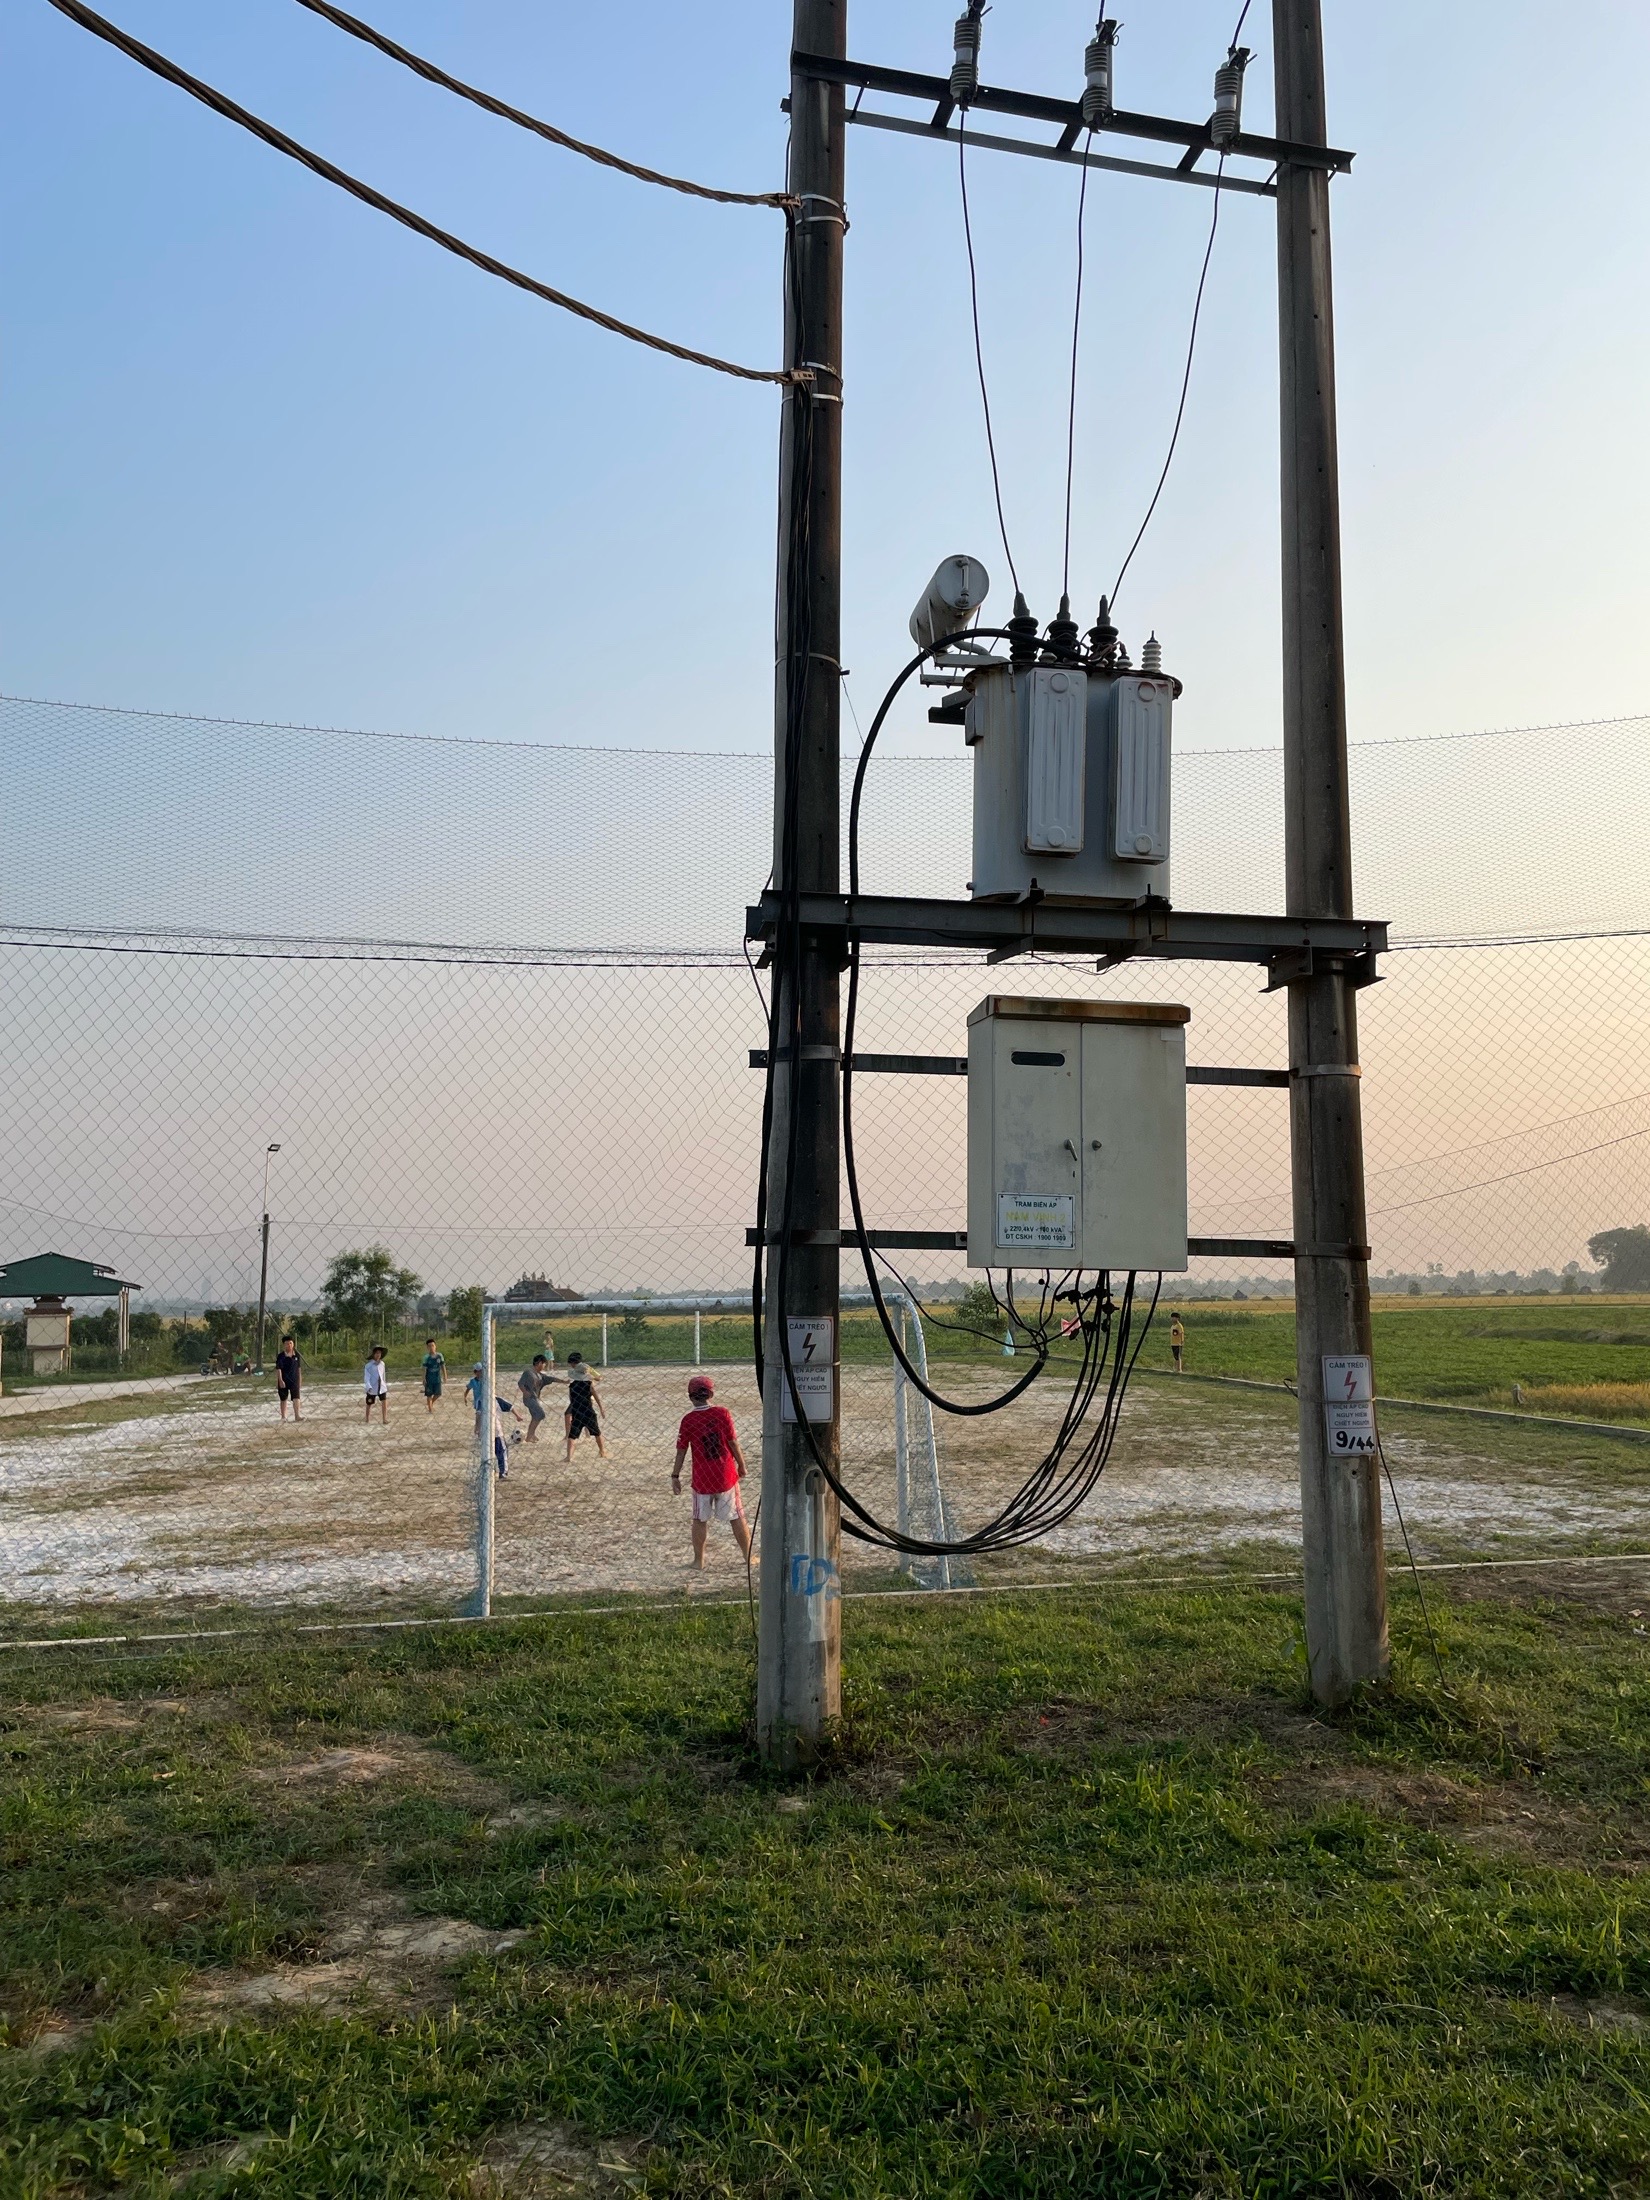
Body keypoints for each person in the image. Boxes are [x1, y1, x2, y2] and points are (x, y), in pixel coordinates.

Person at [672, 1375, 751, 1569]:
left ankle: (699, 1560)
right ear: (711, 1394)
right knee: (736, 1516)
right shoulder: (722, 1413)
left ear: (690, 1396)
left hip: (702, 1478)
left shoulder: (688, 1420)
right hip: (725, 1475)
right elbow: (732, 1442)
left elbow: (681, 1451)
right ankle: (748, 1556)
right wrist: (741, 1464)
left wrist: (675, 1475)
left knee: (699, 1519)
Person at [563, 1350, 605, 1459]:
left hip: (577, 1411)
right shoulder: (589, 1384)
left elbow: (571, 1399)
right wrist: (601, 1408)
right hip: (588, 1411)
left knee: (572, 1436)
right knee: (597, 1433)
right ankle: (602, 1451)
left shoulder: (572, 1386)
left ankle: (569, 1456)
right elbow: (596, 1396)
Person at [518, 1352, 556, 1442]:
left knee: (535, 1416)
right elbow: (520, 1383)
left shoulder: (539, 1374)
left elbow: (550, 1378)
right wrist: (525, 1392)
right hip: (529, 1399)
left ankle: (531, 1435)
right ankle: (529, 1436)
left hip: (534, 1399)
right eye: (544, 1364)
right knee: (540, 1414)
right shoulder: (528, 1372)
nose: (544, 1366)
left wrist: (563, 1381)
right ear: (540, 1363)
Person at [274, 1333, 302, 1422]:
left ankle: (297, 1416)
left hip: (294, 1379)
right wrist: (280, 1380)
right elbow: (278, 1369)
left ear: (293, 1344)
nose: (289, 1345)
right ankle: (283, 1417)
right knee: (283, 1398)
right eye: (287, 1343)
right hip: (284, 1380)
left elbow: (299, 1368)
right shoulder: (281, 1356)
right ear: (284, 1345)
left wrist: (300, 1380)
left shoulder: (297, 1355)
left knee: (296, 1398)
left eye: (290, 1343)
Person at [364, 1343, 390, 1424]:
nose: (378, 1355)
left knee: (384, 1402)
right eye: (377, 1353)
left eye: (379, 1353)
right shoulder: (368, 1366)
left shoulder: (382, 1364)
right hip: (372, 1387)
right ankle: (367, 1419)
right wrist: (368, 1386)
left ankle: (384, 1419)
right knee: (369, 1403)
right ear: (373, 1354)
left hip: (381, 1387)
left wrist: (384, 1384)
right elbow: (366, 1377)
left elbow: (383, 1376)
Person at [422, 1338, 447, 1414]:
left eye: (432, 1345)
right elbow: (424, 1369)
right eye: (429, 1346)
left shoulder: (439, 1356)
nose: (431, 1347)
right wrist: (423, 1378)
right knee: (429, 1395)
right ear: (427, 1347)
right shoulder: (426, 1357)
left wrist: (445, 1376)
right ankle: (430, 1410)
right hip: (429, 1379)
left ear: (435, 1346)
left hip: (437, 1378)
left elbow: (443, 1366)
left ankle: (431, 1403)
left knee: (438, 1394)